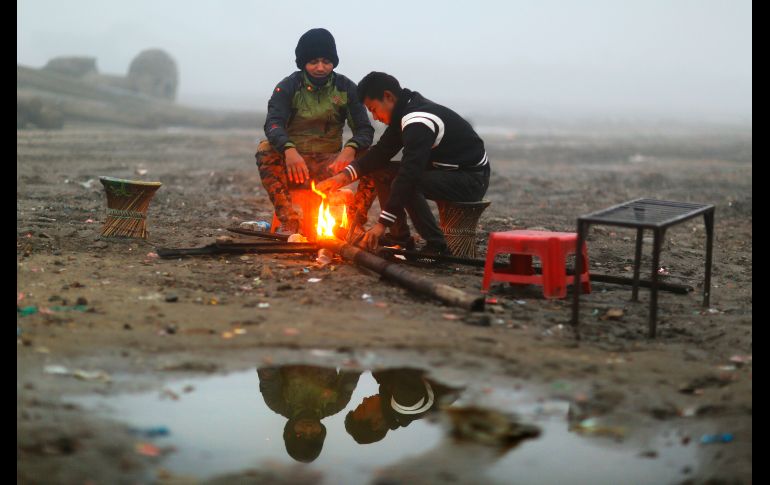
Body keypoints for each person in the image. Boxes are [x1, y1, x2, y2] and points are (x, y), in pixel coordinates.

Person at [316, 71, 491, 254]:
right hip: (447, 171)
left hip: (471, 178)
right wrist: (342, 177)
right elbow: (381, 153)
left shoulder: (417, 120)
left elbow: (409, 174)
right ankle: (400, 238)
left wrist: (381, 224)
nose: (374, 117)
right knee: (381, 171)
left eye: (373, 109)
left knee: (407, 182)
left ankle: (436, 246)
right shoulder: (404, 112)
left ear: (388, 97)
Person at [256, 28, 375, 235]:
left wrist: (351, 148)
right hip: (296, 166)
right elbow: (273, 124)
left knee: (374, 157)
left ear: (334, 62)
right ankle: (289, 221)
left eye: (326, 61)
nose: (320, 67)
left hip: (331, 167)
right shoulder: (288, 87)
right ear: (303, 63)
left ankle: (355, 223)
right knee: (265, 149)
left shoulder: (346, 88)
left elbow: (364, 129)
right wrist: (289, 150)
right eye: (313, 62)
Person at [257, 365, 361, 462]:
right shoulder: (337, 404)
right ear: (321, 434)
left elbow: (268, 370)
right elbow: (353, 369)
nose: (308, 428)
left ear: (290, 432)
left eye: (300, 434)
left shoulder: (277, 402)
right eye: (314, 434)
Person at [345, 368, 460, 445]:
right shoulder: (405, 405)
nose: (364, 399)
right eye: (363, 407)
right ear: (376, 422)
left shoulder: (393, 398)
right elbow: (407, 359)